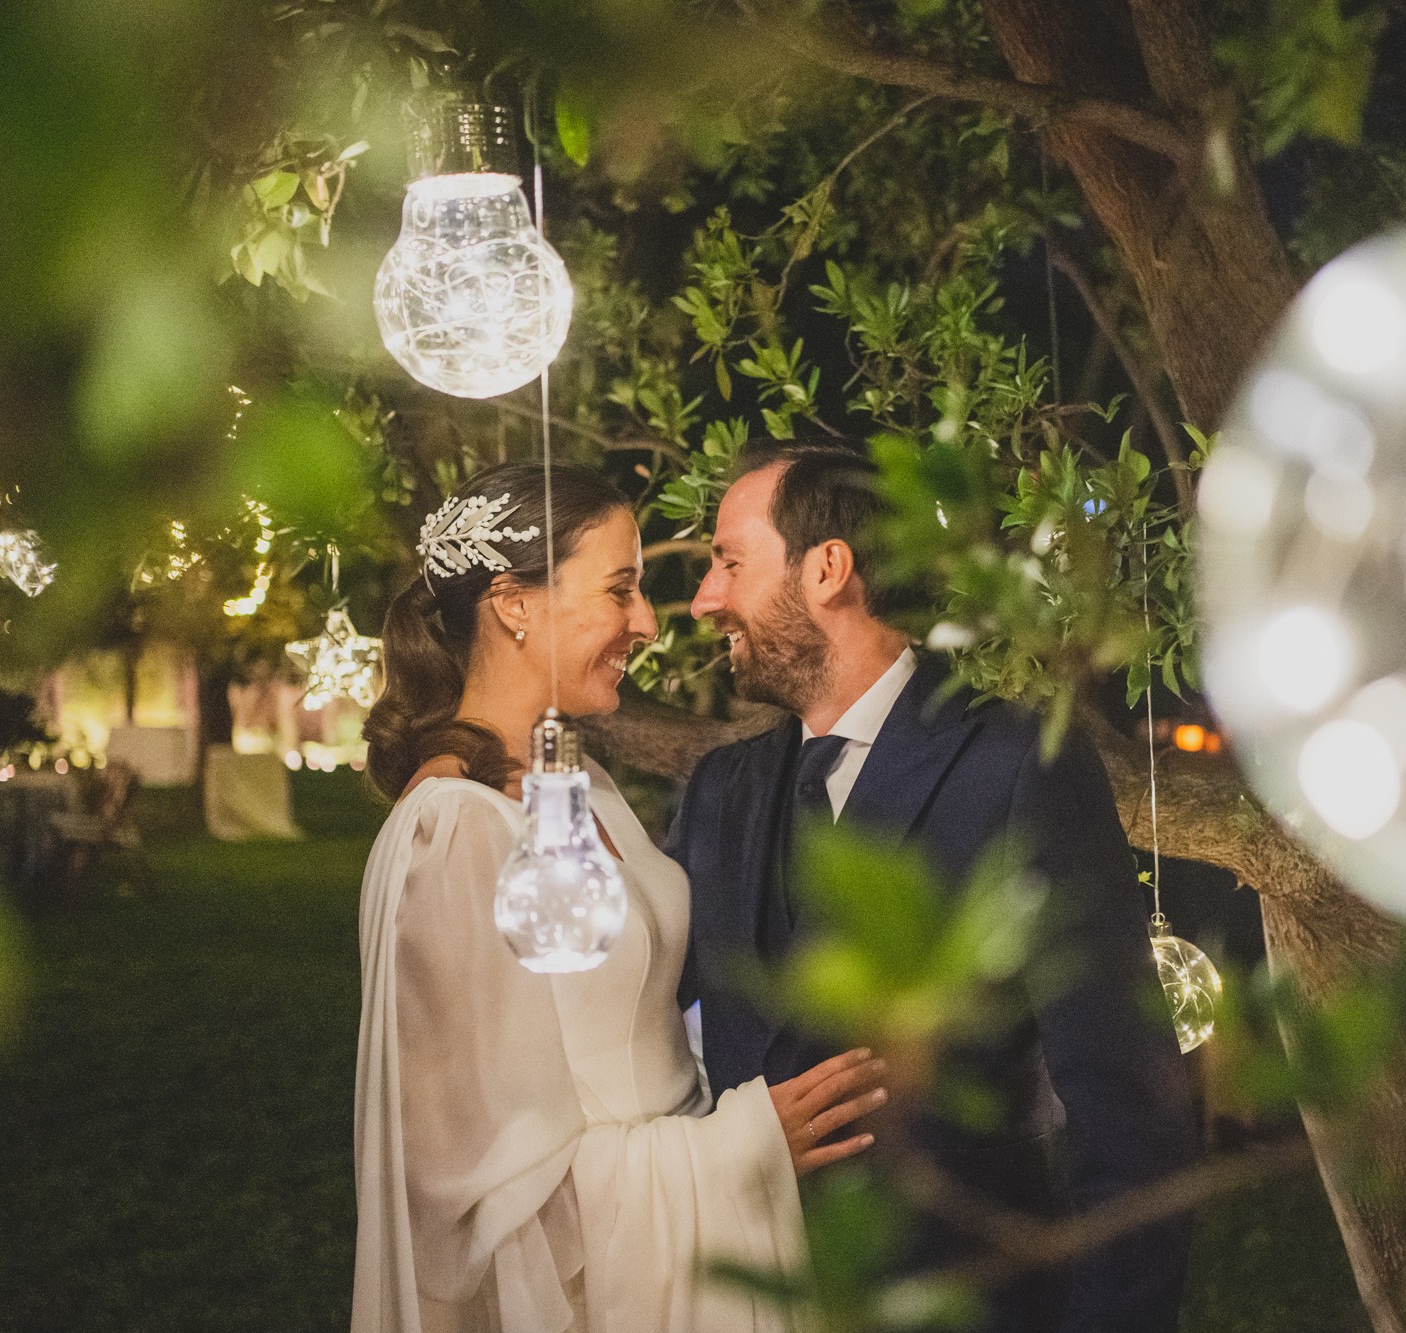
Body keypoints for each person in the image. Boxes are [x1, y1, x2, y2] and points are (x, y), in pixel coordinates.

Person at [670, 441, 1201, 1331]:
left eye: (728, 561)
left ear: (828, 568)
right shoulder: (721, 790)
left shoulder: (1014, 765)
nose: (704, 599)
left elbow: (1129, 1108)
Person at [351, 463, 889, 1333]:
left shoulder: (585, 786)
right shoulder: (449, 833)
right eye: (621, 588)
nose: (646, 621)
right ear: (514, 603)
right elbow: (471, 1200)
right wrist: (741, 1148)